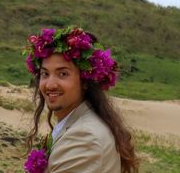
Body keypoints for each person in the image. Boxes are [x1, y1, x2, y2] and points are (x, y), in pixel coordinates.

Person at [24, 26, 139, 173]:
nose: (50, 85)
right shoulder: (74, 124)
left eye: (63, 74)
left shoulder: (85, 138)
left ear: (85, 81)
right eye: (45, 74)